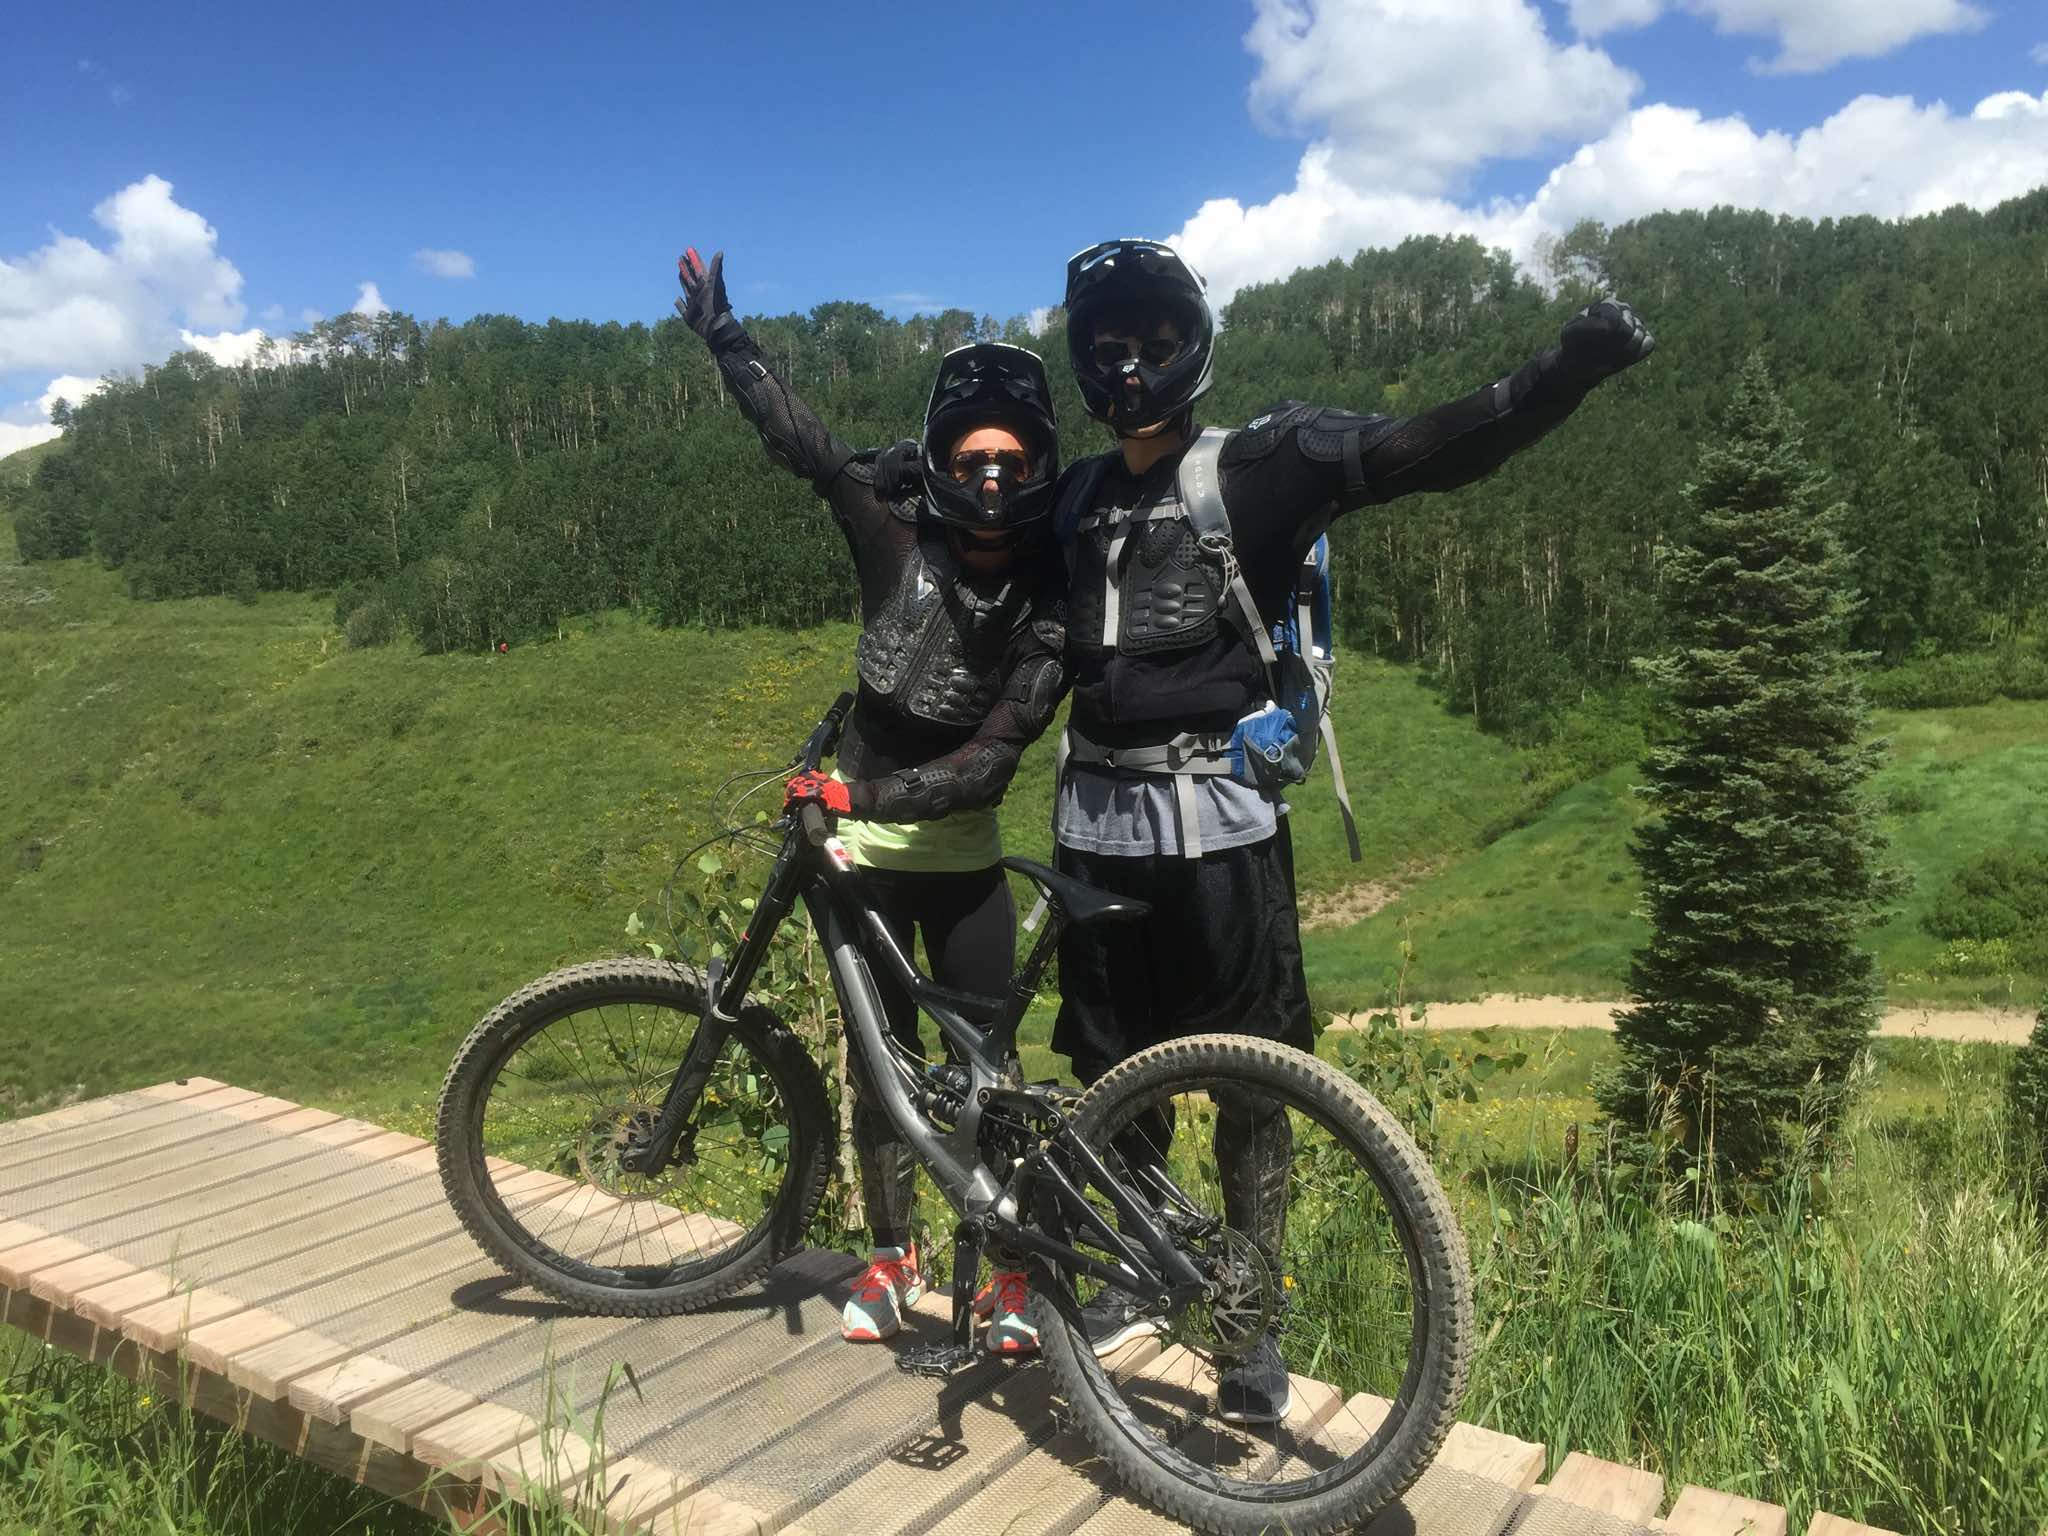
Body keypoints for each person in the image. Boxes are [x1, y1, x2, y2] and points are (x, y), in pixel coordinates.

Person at [1046, 237, 1654, 1420]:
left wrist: (1556, 377)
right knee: (1111, 1075)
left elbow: (1418, 449)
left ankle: (1246, 1324)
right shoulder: (1071, 496)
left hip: (1219, 834)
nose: (1128, 365)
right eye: (1106, 345)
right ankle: (1130, 1274)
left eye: (1152, 341)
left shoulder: (1262, 464)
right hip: (1093, 825)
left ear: (1192, 345)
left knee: (1252, 1085)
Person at [676, 249, 1066, 1354]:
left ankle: (1009, 1275)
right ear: (944, 460)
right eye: (971, 457)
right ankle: (892, 1258)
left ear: (1035, 468)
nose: (990, 478)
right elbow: (803, 443)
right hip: (863, 867)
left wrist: (856, 791)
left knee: (990, 1076)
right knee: (878, 1068)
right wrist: (724, 338)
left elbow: (988, 762)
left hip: (961, 865)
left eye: (1011, 459)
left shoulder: (1047, 597)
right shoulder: (892, 535)